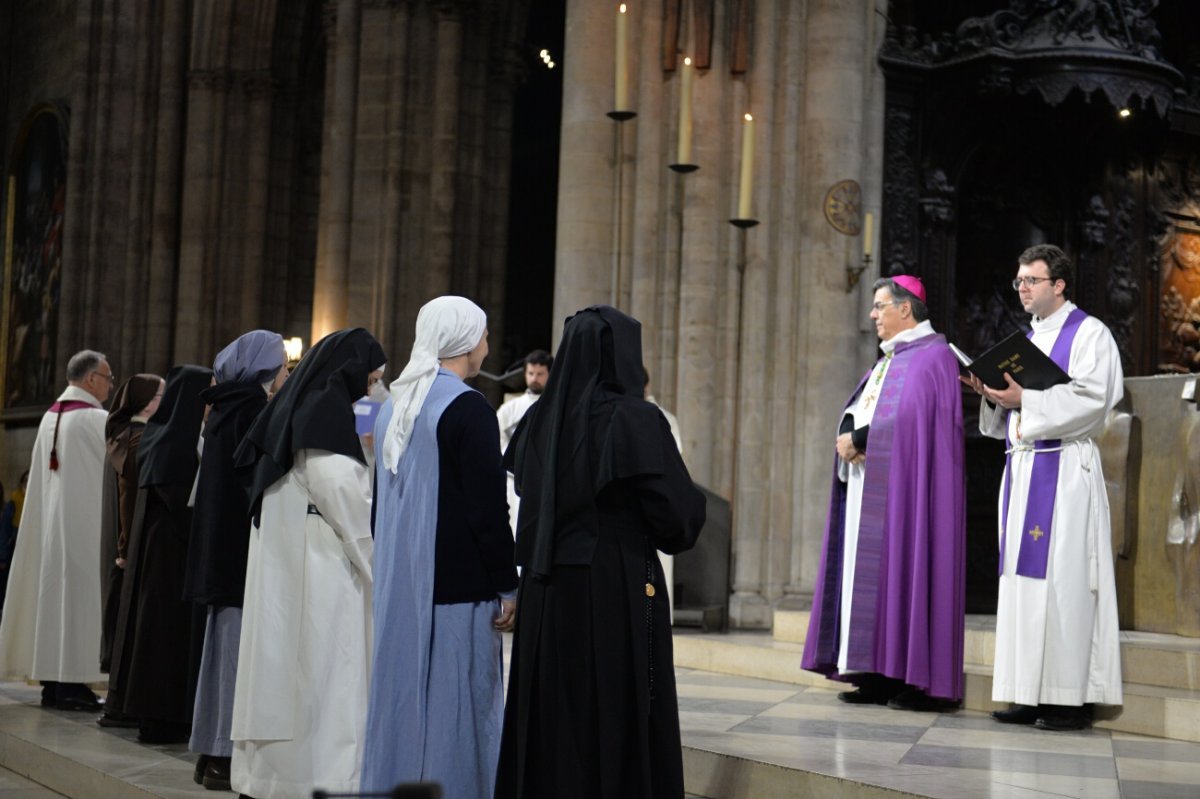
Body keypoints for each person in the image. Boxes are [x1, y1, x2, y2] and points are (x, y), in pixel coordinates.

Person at [494, 305, 707, 799]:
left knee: (553, 717)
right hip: (616, 584)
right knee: (614, 710)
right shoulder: (633, 419)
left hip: (546, 588)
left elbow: (524, 499)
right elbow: (677, 512)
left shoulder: (537, 421)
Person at [362, 296, 517, 799]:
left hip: (401, 583)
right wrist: (506, 582)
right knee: (457, 708)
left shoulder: (394, 405)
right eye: (484, 334)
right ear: (467, 341)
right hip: (457, 587)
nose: (488, 345)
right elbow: (486, 507)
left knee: (404, 701)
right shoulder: (469, 407)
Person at [963, 244, 1123, 731]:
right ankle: (1026, 693)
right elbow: (1010, 415)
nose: (1023, 288)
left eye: (1032, 280)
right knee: (1022, 587)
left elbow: (1097, 398)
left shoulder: (1090, 334)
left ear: (1059, 285)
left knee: (1066, 584)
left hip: (1065, 472)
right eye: (1019, 281)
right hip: (1024, 469)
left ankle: (1067, 699)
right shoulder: (1026, 339)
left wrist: (1024, 399)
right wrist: (994, 397)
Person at [230, 328, 385, 799]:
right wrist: (382, 567)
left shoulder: (300, 404)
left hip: (292, 558)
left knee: (287, 681)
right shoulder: (324, 413)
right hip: (317, 569)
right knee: (319, 681)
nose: (375, 386)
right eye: (373, 376)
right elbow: (344, 496)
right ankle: (316, 781)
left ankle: (276, 779)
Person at [801, 275, 966, 711]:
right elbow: (862, 410)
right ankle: (873, 671)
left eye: (879, 306)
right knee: (870, 580)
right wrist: (847, 435)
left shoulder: (934, 357)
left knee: (908, 573)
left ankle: (916, 680)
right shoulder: (887, 361)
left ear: (905, 309)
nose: (873, 315)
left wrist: (864, 438)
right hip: (868, 489)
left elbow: (913, 423)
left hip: (910, 498)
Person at [185, 330, 287, 791]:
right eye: (282, 364)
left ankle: (211, 751)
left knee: (221, 652)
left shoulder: (225, 405)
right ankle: (223, 756)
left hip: (218, 549)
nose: (287, 372)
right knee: (233, 655)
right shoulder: (250, 408)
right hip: (236, 552)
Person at [0, 350, 114, 711]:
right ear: (92, 379)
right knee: (79, 606)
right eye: (108, 378)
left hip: (51, 535)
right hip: (84, 532)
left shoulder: (50, 416)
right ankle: (72, 684)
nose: (111, 385)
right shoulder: (96, 419)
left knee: (52, 604)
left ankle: (52, 683)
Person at [109, 365, 212, 743]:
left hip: (161, 554)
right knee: (162, 638)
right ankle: (161, 716)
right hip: (169, 556)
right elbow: (179, 502)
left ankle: (160, 714)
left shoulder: (160, 435)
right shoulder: (174, 442)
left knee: (158, 636)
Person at [98, 374, 164, 728]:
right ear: (147, 402)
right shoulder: (140, 441)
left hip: (125, 548)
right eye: (161, 394)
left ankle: (118, 701)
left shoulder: (122, 437)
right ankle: (121, 705)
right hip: (133, 550)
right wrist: (127, 547)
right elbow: (130, 501)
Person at [496, 350, 552, 536]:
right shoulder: (509, 409)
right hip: (513, 481)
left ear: (549, 374)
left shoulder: (555, 408)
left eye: (540, 374)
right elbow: (498, 442)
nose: (534, 378)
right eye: (530, 373)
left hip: (545, 482)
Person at [0, 471, 29, 616]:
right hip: (14, 546)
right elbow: (5, 529)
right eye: (25, 481)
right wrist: (3, 556)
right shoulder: (14, 501)